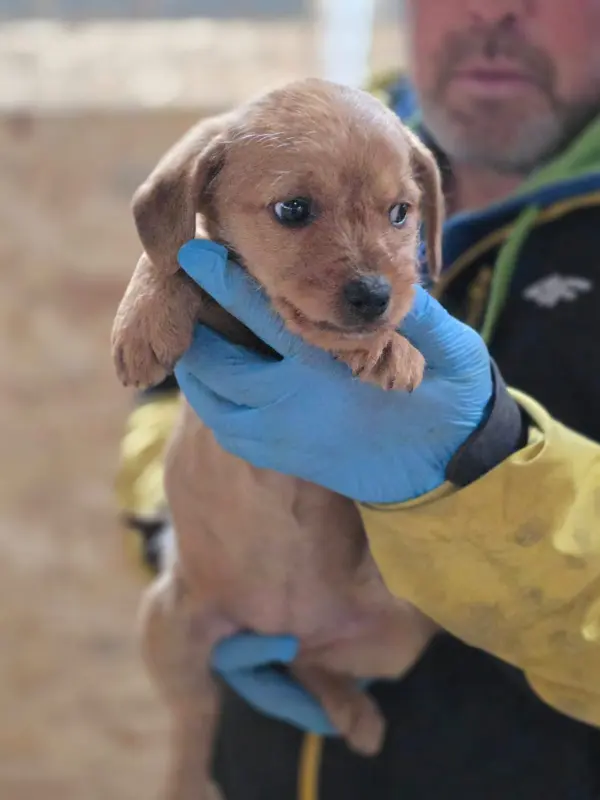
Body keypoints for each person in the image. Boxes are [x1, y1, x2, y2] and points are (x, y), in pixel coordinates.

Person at [115, 0, 600, 797]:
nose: (494, 7)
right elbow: (159, 390)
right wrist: (182, 529)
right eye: (297, 213)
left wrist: (483, 460)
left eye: (397, 216)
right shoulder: (290, 138)